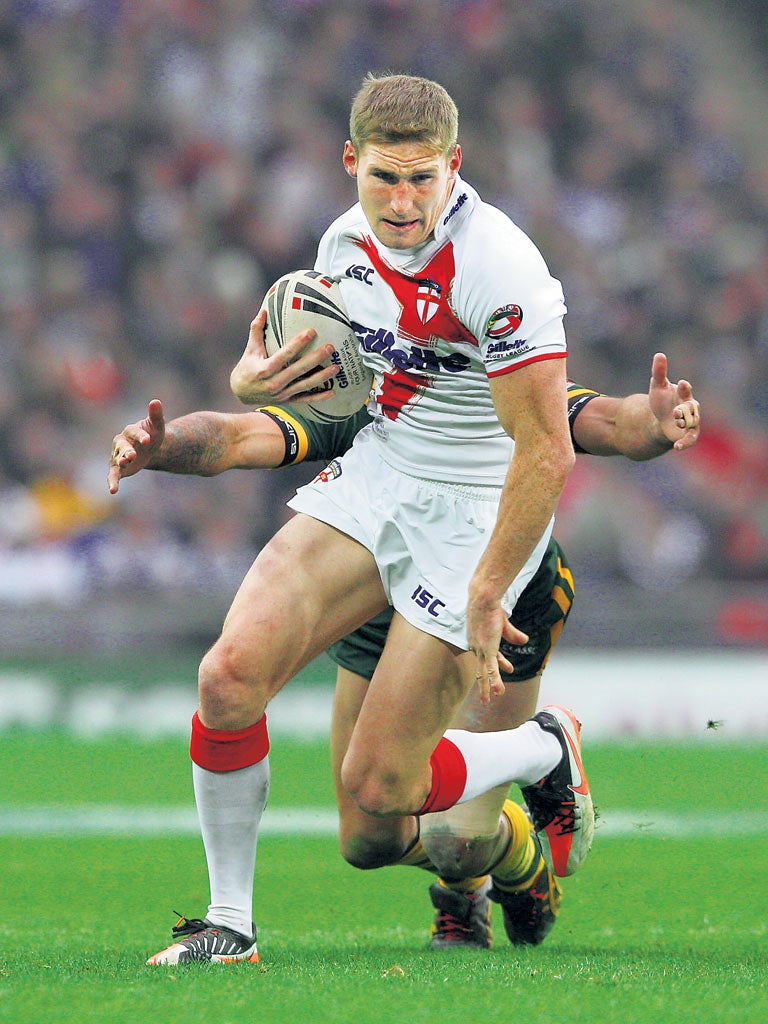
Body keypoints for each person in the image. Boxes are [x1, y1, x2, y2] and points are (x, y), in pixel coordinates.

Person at [115, 73, 697, 964]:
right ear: (350, 163)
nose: (401, 201)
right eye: (384, 178)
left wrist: (489, 590)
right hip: (381, 472)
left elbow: (547, 446)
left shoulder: (503, 268)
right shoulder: (339, 246)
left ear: (454, 167)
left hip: (473, 509)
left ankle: (544, 751)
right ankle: (229, 926)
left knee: (384, 791)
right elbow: (323, 392)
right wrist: (245, 385)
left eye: (422, 180)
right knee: (228, 677)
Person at [110, 353, 700, 953]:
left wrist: (653, 424)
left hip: (498, 597)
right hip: (387, 585)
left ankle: (475, 878)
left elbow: (600, 419)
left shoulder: (496, 370)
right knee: (369, 839)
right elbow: (243, 435)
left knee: (454, 840)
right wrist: (166, 446)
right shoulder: (374, 389)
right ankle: (511, 856)